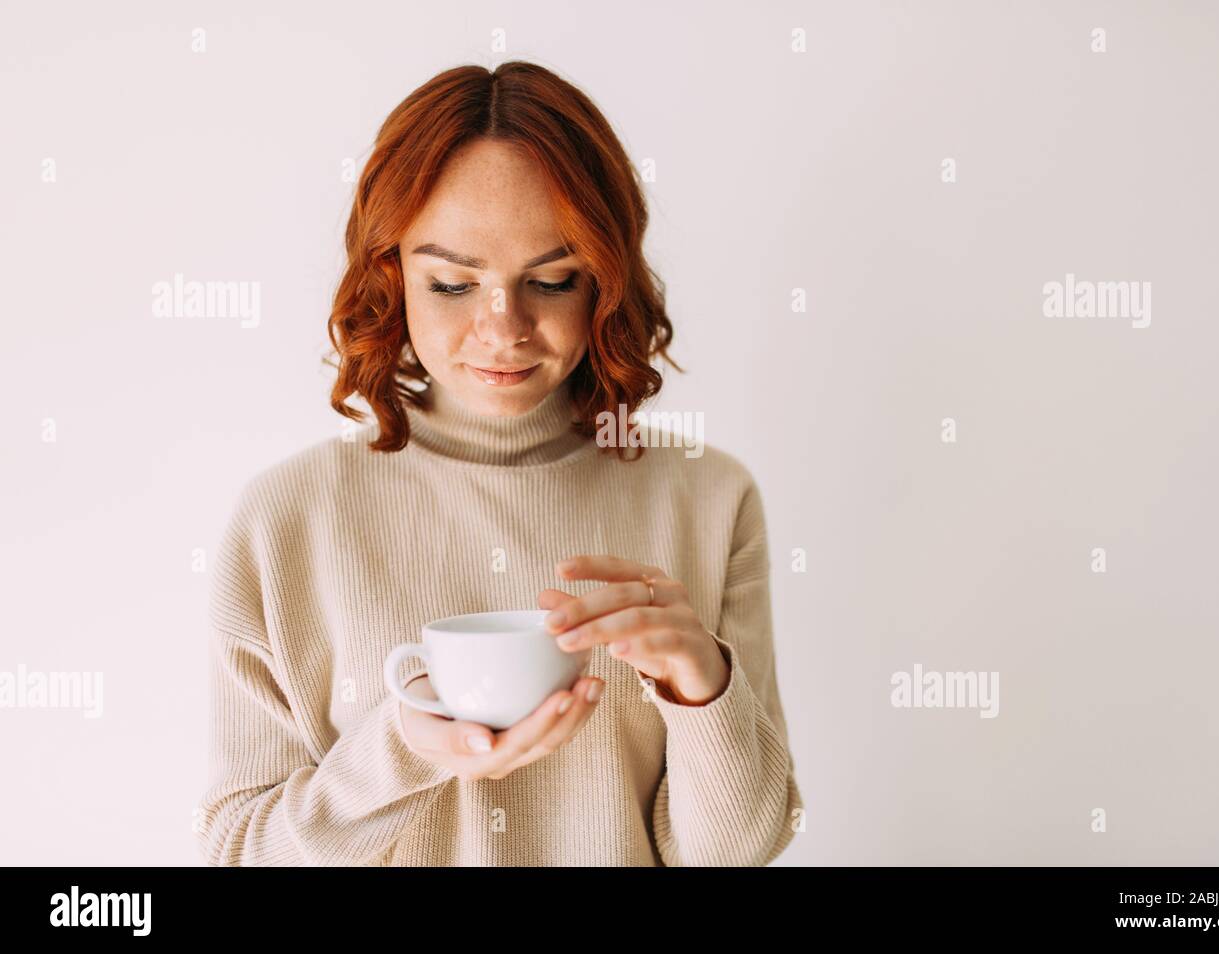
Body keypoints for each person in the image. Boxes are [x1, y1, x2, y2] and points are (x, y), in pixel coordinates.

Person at [196, 60, 802, 866]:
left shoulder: (709, 497)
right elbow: (235, 852)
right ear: (392, 275)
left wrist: (706, 687)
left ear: (605, 283)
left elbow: (735, 853)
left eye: (551, 280)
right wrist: (404, 751)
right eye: (452, 283)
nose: (503, 326)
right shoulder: (286, 519)